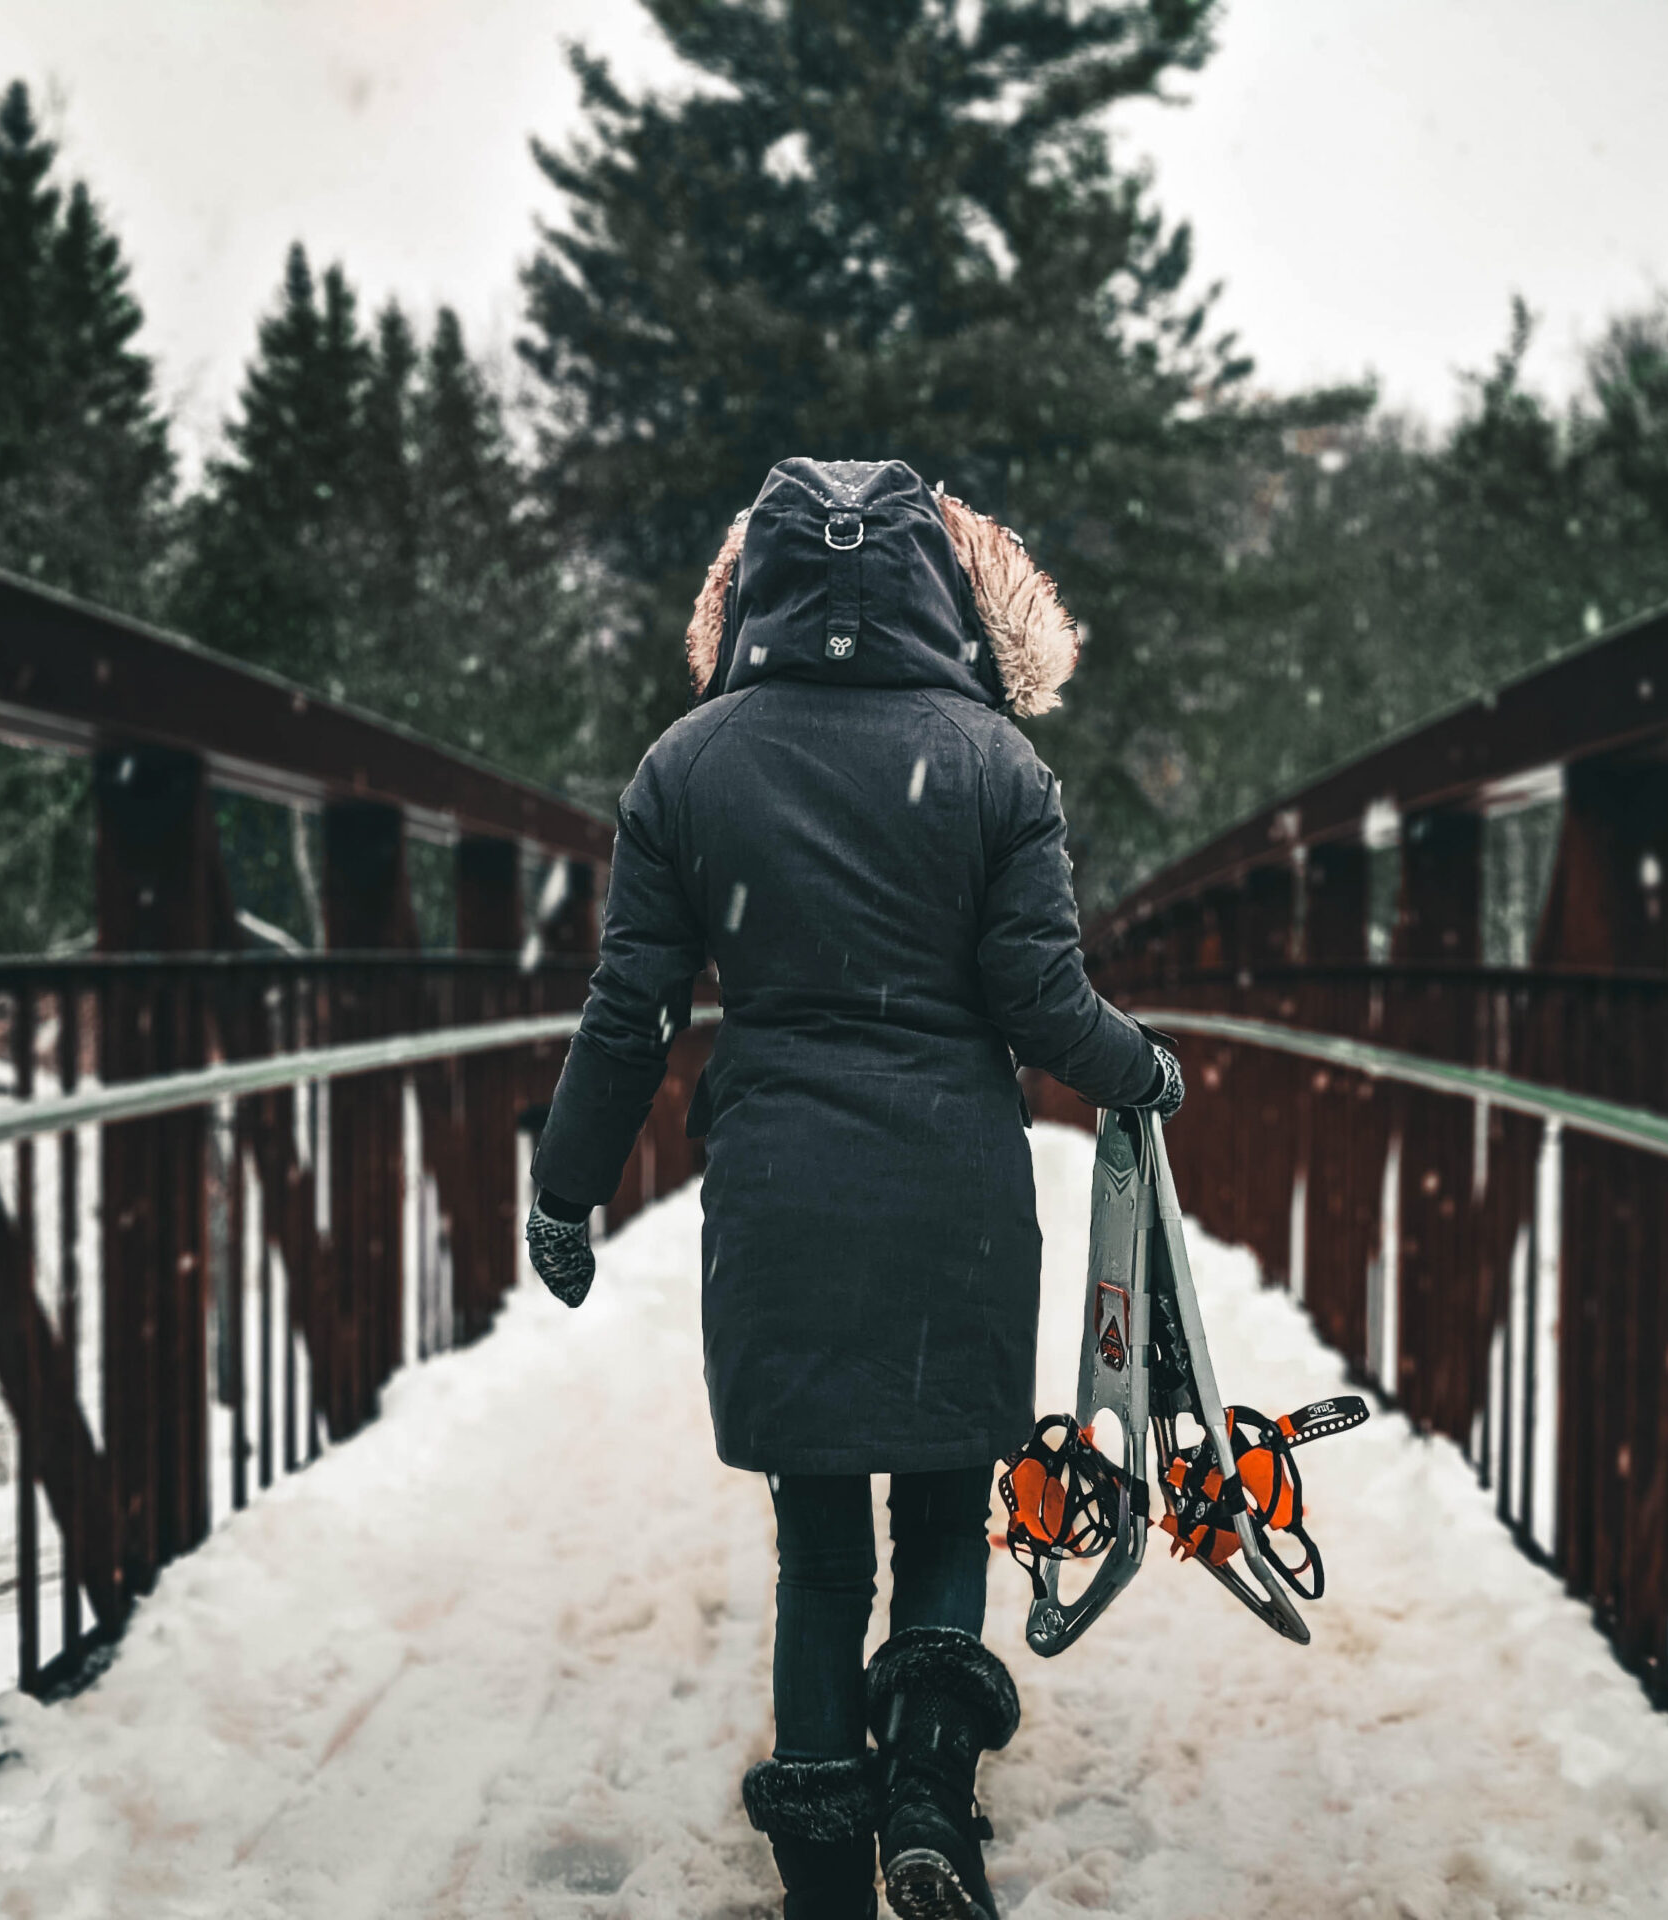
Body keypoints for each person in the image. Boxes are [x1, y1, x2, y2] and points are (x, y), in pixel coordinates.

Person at [525, 457, 1182, 1920]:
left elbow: (630, 1008)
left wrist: (564, 1189)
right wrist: (1140, 1070)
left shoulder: (687, 767)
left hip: (780, 1199)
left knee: (819, 1552)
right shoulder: (995, 762)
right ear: (939, 589)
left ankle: (821, 1873)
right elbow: (1040, 999)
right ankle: (932, 1801)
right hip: (953, 1188)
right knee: (947, 1516)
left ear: (752, 587)